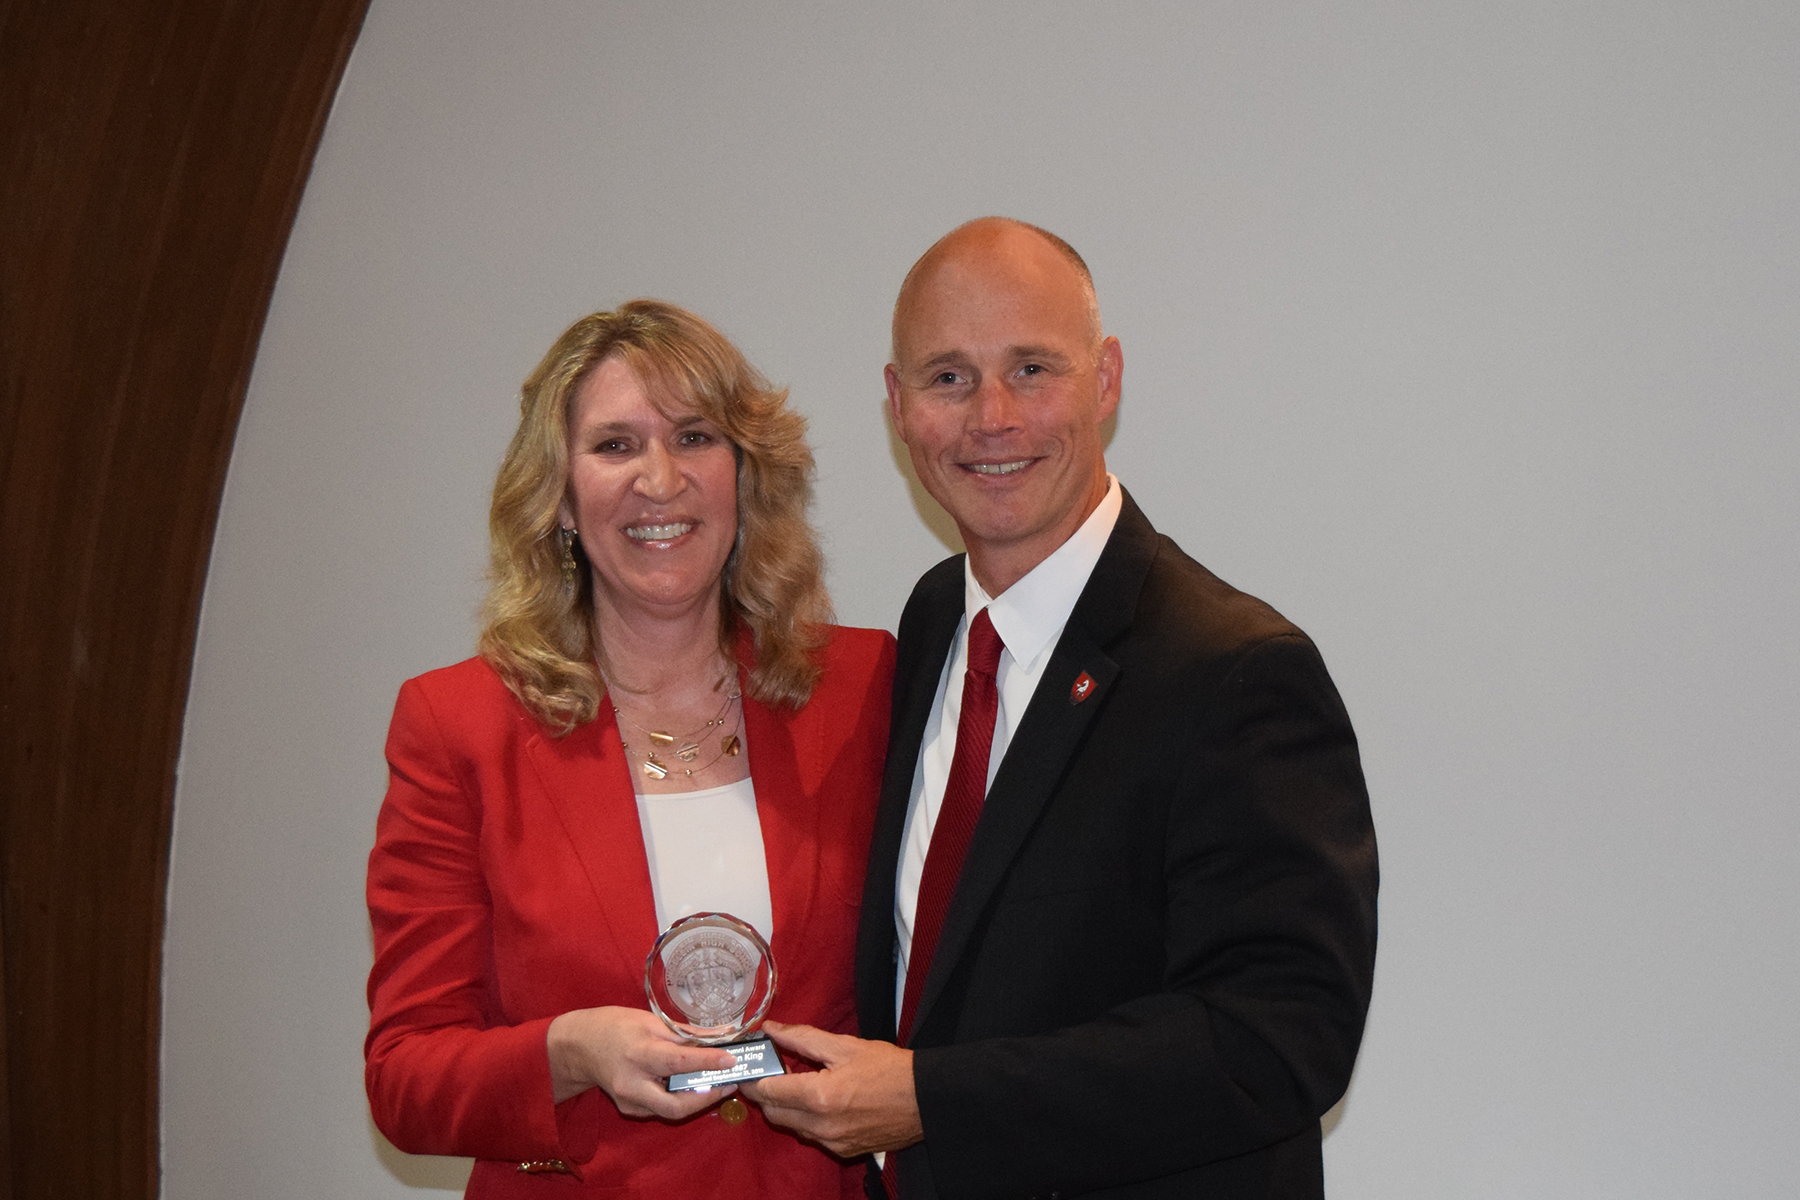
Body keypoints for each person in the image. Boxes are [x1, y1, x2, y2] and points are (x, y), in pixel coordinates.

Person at [742, 219, 1379, 1199]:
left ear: (1107, 380)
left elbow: (1279, 1039)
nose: (991, 417)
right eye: (948, 378)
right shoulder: (929, 626)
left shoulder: (1237, 674)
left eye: (1032, 368)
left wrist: (933, 1099)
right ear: (896, 404)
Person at [365, 300, 895, 1197]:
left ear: (744, 474)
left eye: (694, 437)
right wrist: (566, 1052)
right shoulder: (457, 725)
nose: (660, 480)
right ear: (562, 499)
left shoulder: (864, 687)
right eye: (615, 446)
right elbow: (405, 1078)